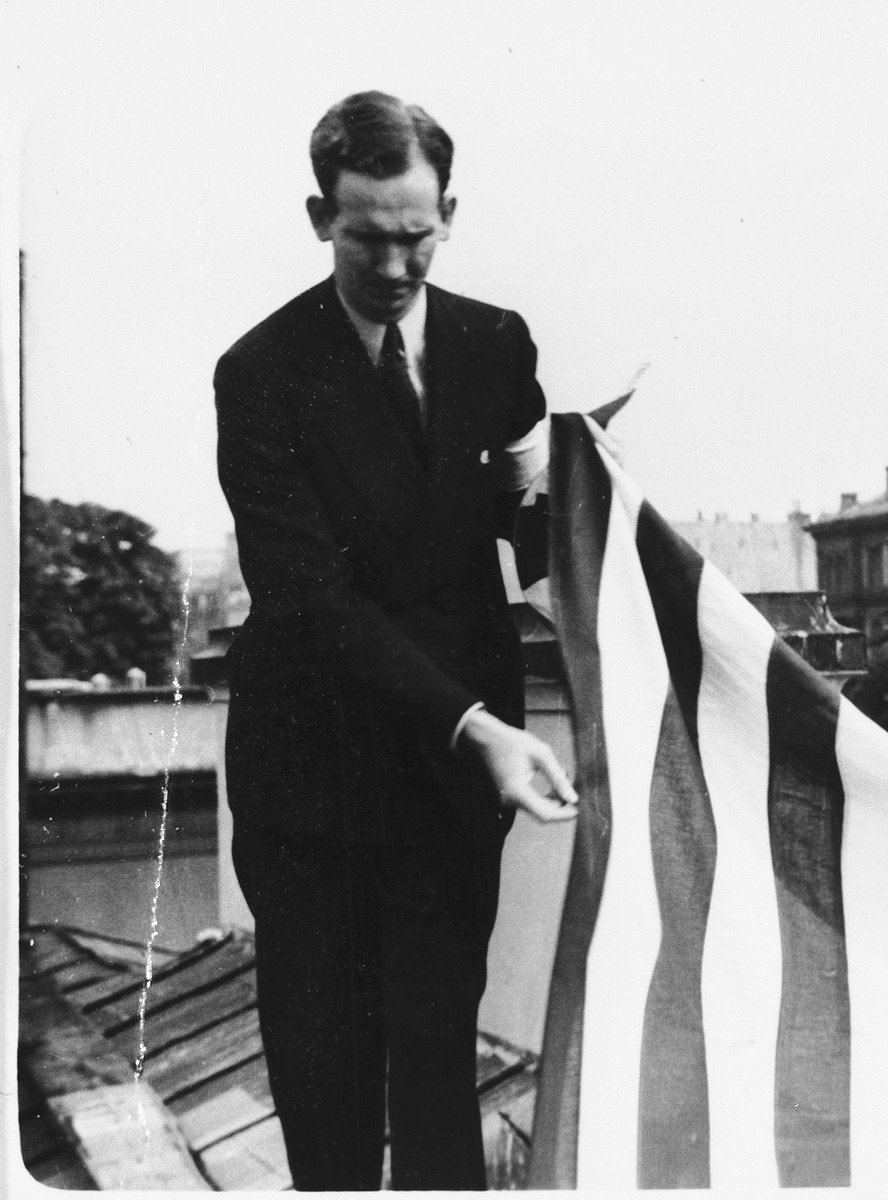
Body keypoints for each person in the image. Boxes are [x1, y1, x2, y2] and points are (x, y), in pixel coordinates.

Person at [215, 91, 577, 1191]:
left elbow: (534, 527)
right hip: (314, 791)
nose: (395, 265)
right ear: (320, 215)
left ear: (449, 214)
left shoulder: (494, 341)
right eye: (368, 236)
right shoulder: (262, 372)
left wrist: (581, 542)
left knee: (436, 1078)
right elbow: (310, 600)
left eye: (417, 235)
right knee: (326, 1102)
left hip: (443, 795)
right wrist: (479, 728)